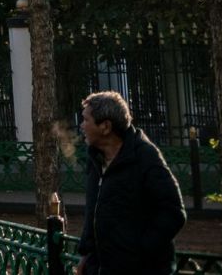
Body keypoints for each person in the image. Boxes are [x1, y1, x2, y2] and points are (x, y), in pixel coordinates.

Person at [76, 89, 186, 275]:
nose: (81, 126)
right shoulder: (96, 159)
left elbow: (173, 213)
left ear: (105, 127)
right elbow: (94, 212)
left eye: (86, 120)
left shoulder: (144, 157)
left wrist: (139, 253)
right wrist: (87, 255)